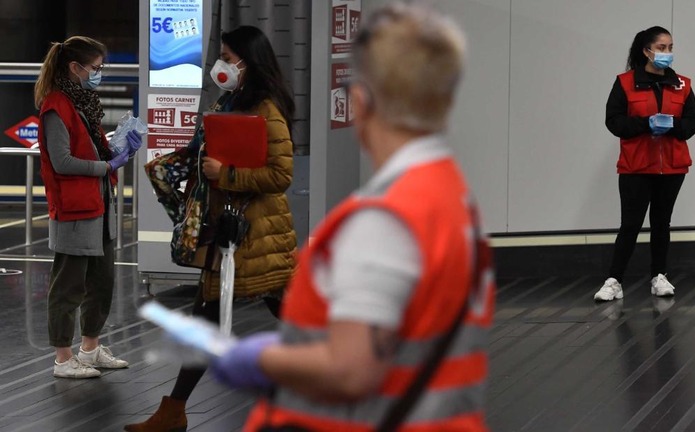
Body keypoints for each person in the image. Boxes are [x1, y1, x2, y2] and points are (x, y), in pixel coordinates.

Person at [211, 4, 496, 431]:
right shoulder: (453, 198)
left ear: (359, 102)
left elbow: (350, 370)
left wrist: (261, 359)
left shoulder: (383, 220)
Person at [125, 26, 297, 432]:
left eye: (226, 55)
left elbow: (281, 174)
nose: (221, 64)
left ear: (247, 61)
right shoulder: (232, 100)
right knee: (218, 315)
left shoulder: (266, 108)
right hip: (232, 232)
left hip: (255, 233)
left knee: (273, 314)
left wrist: (227, 173)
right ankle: (173, 410)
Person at [34, 36, 141, 378]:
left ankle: (90, 349)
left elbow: (90, 149)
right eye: (95, 68)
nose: (99, 74)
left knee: (102, 280)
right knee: (68, 286)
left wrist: (118, 148)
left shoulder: (83, 103)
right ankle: (63, 358)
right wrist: (108, 167)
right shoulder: (56, 106)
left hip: (99, 206)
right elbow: (63, 161)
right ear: (75, 67)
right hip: (75, 210)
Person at [594, 26, 695, 302]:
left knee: (661, 223)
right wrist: (645, 124)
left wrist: (673, 125)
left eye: (670, 47)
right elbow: (614, 120)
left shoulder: (682, 84)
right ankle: (614, 280)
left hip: (672, 167)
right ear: (646, 51)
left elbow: (692, 122)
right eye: (662, 48)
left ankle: (659, 276)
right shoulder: (626, 82)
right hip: (636, 166)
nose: (667, 53)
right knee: (630, 224)